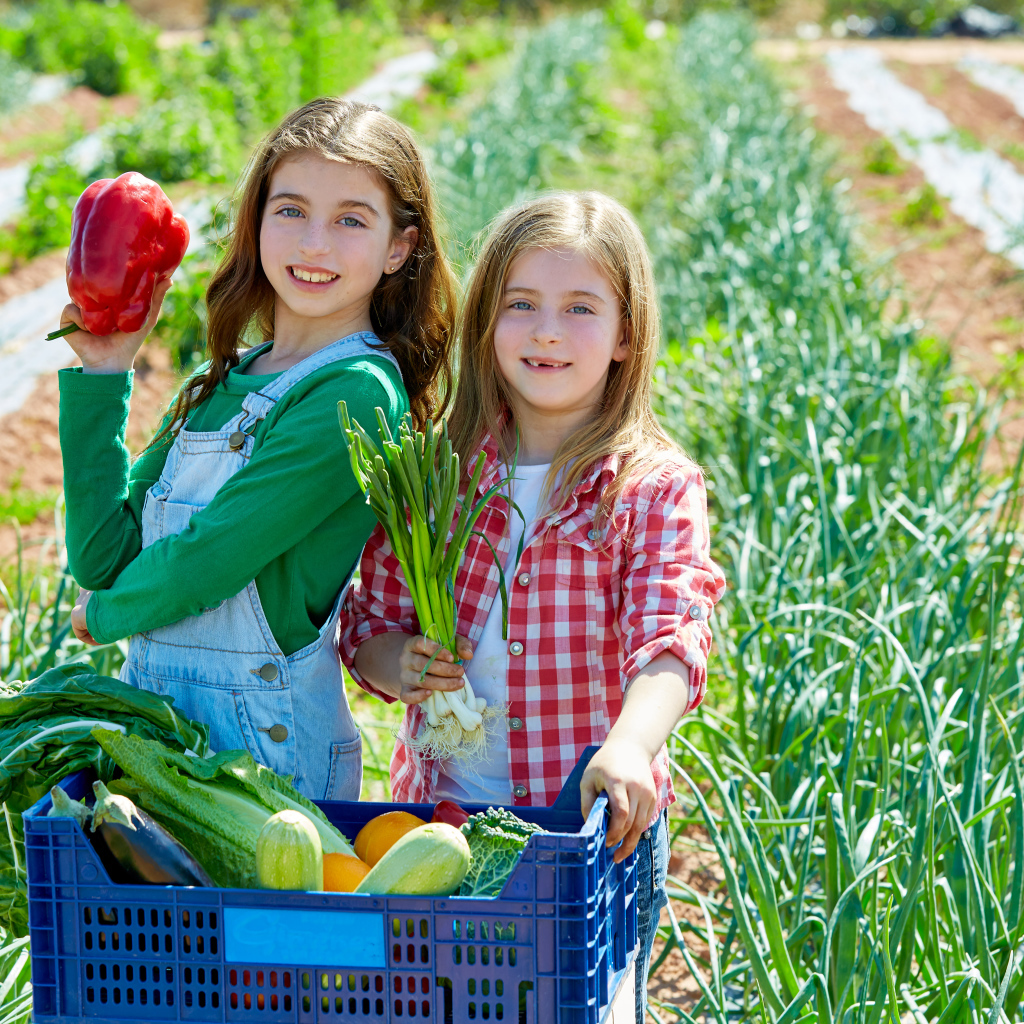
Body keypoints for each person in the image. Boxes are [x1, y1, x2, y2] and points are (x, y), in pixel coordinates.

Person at [338, 191, 726, 1020]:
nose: (547, 331)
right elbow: (370, 621)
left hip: (586, 832)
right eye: (521, 305)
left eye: (580, 308)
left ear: (625, 335)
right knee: (442, 1001)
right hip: (444, 820)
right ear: (487, 324)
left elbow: (671, 637)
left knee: (578, 1004)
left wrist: (630, 746)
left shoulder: (651, 487)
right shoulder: (438, 470)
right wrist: (396, 661)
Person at [57, 97, 456, 801]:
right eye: (291, 210)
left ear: (399, 247)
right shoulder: (223, 382)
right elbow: (102, 559)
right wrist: (105, 372)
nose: (314, 244)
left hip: (272, 757)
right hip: (161, 745)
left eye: (351, 220)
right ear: (258, 220)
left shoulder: (358, 393)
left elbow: (210, 559)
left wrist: (104, 614)